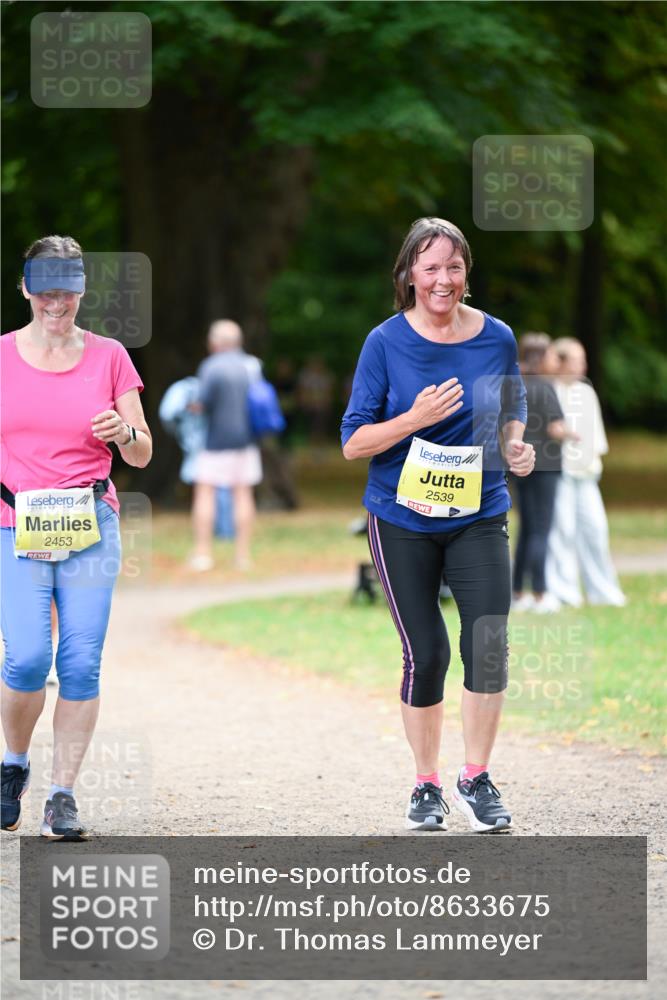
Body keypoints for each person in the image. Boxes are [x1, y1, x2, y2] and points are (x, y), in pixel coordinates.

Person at [341, 217, 534, 834]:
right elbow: (352, 441)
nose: (443, 279)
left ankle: (476, 776)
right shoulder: (385, 343)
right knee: (427, 653)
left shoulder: (496, 338)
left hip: (478, 513)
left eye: (453, 267)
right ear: (409, 276)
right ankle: (426, 785)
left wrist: (516, 443)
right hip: (402, 518)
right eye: (430, 268)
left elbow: (513, 404)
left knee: (488, 644)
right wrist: (413, 419)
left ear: (466, 274)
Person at [1, 235, 151, 839]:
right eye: (44, 288)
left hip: (91, 523)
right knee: (28, 656)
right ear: (25, 288)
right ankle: (13, 762)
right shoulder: (2, 357)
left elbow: (141, 454)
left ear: (83, 289)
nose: (55, 301)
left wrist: (122, 432)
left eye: (67, 288)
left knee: (82, 662)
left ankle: (61, 796)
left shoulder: (111, 355)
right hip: (14, 525)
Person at [545, 338, 626, 606]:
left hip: (587, 475)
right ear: (561, 362)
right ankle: (565, 591)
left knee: (596, 530)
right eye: (577, 360)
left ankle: (603, 592)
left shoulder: (586, 392)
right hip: (560, 474)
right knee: (563, 532)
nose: (583, 366)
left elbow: (595, 438)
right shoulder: (547, 391)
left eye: (583, 360)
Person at [511, 333, 577, 613]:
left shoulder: (516, 386)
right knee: (541, 529)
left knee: (525, 529)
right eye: (551, 354)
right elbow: (555, 428)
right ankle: (540, 592)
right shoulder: (546, 386)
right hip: (546, 466)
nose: (555, 360)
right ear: (540, 357)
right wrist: (573, 434)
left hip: (519, 466)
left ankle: (517, 592)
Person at [190, 320, 261, 571]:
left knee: (205, 493)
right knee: (243, 494)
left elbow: (201, 404)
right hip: (247, 441)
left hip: (215, 442)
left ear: (214, 342)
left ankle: (203, 553)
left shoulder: (211, 367)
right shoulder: (251, 365)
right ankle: (242, 556)